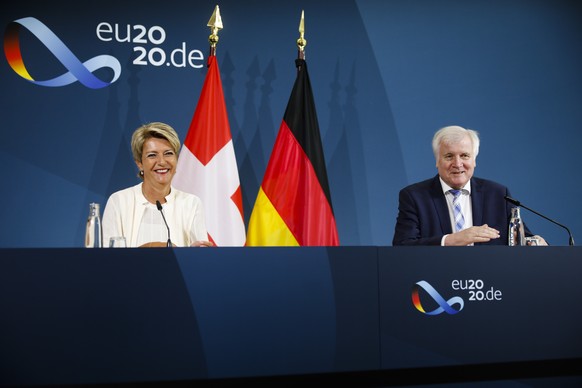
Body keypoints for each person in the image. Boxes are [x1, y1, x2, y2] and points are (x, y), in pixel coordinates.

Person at [392, 125, 547, 246]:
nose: (457, 164)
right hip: (435, 280)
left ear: (474, 160)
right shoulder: (414, 197)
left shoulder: (498, 194)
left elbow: (522, 239)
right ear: (437, 161)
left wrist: (535, 242)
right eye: (449, 156)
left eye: (464, 156)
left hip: (488, 283)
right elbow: (403, 245)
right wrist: (451, 240)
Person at [102, 122, 213, 248]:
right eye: (152, 155)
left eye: (168, 153)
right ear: (139, 163)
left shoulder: (191, 203)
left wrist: (194, 253)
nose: (161, 161)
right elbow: (108, 259)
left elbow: (201, 257)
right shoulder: (119, 201)